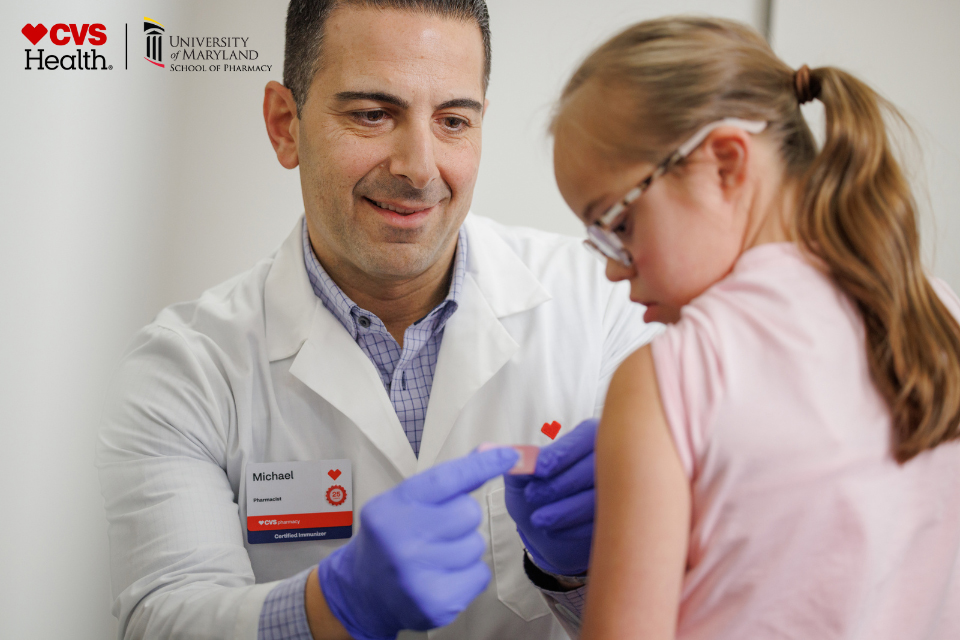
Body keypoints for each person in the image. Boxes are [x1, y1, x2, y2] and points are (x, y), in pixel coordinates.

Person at [96, 1, 659, 639]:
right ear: (286, 125)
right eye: (372, 113)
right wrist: (330, 608)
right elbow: (164, 618)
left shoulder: (609, 305)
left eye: (452, 120)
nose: (418, 167)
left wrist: (578, 575)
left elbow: (699, 607)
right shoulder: (185, 368)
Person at [549, 16, 960, 640]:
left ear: (726, 163)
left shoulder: (670, 378)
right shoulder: (938, 312)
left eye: (618, 225)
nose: (610, 268)